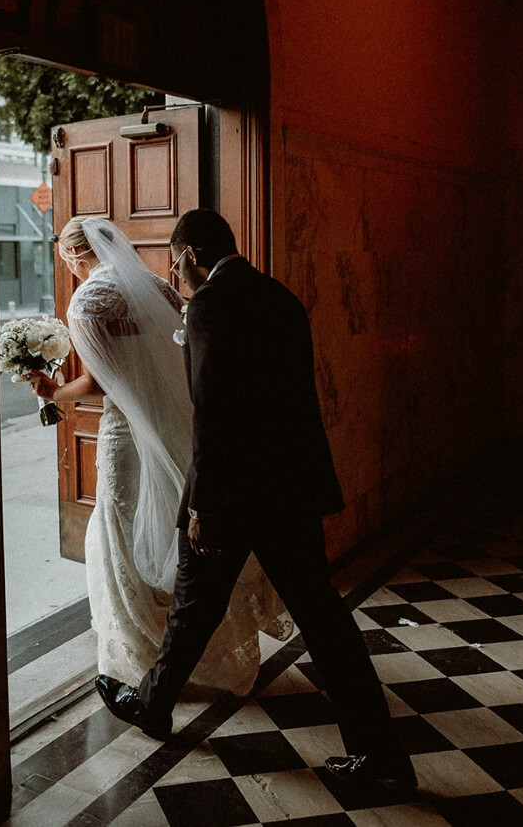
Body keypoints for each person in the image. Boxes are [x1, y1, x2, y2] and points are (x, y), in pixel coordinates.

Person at [93, 209, 416, 794]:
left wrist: (204, 505)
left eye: (175, 261)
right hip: (287, 489)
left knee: (197, 603)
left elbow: (214, 411)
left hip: (234, 494)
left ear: (191, 254)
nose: (174, 273)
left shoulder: (212, 306)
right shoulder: (280, 296)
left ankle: (153, 704)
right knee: (311, 616)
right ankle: (379, 752)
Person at [29, 216, 291, 698]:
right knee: (172, 535)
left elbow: (102, 383)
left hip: (124, 435)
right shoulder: (160, 289)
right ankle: (187, 656)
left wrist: (53, 390)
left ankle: (139, 655)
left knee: (123, 534)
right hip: (179, 429)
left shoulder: (85, 301)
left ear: (71, 255)